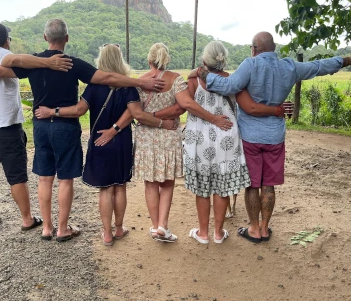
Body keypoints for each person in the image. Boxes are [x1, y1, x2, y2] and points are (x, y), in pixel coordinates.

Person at [0, 18, 165, 242]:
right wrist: (141, 83)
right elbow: (108, 77)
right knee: (65, 180)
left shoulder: (32, 62)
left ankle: (46, 228)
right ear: (67, 39)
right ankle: (62, 229)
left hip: (41, 125)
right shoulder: (73, 64)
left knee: (44, 179)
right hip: (66, 127)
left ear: (45, 38)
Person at [205, 31, 351, 243]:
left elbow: (230, 86)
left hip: (250, 136)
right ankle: (265, 228)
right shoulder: (289, 66)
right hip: (275, 136)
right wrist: (345, 60)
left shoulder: (251, 64)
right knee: (269, 185)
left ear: (254, 49)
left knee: (253, 184)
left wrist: (204, 75)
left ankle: (253, 229)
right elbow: (318, 66)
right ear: (273, 49)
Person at [35, 44, 177, 245]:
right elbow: (135, 113)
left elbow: (78, 111)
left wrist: (52, 112)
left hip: (99, 140)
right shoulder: (129, 86)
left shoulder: (94, 86)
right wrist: (118, 129)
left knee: (105, 189)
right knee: (119, 187)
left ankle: (107, 234)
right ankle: (119, 229)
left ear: (101, 61)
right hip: (121, 142)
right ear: (121, 61)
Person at [0, 23, 71, 230]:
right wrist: (48, 62)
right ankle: (27, 219)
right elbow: (16, 61)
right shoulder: (7, 56)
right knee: (16, 176)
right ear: (6, 40)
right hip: (8, 126)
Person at [185, 41, 284, 244]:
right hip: (226, 139)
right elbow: (249, 106)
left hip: (200, 140)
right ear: (223, 60)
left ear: (205, 60)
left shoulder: (194, 80)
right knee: (222, 187)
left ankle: (203, 233)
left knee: (203, 188)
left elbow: (185, 104)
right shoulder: (234, 81)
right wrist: (276, 109)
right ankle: (218, 233)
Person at [133, 43, 234, 243]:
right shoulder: (176, 79)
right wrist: (162, 118)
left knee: (150, 183)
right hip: (169, 134)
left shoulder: (139, 81)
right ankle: (163, 225)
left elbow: (135, 112)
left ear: (149, 60)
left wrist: (149, 116)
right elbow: (182, 106)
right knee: (168, 183)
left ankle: (155, 227)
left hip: (146, 136)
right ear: (167, 58)